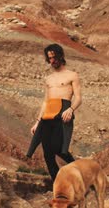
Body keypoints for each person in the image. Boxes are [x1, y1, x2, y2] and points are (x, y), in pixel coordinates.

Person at [26, 43, 82, 183]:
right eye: (50, 58)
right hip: (47, 116)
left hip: (62, 114)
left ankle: (79, 174)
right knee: (47, 154)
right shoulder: (48, 79)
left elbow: (79, 98)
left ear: (61, 56)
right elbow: (45, 101)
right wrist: (37, 122)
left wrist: (71, 109)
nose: (52, 60)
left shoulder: (72, 75)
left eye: (54, 57)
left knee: (58, 148)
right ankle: (58, 184)